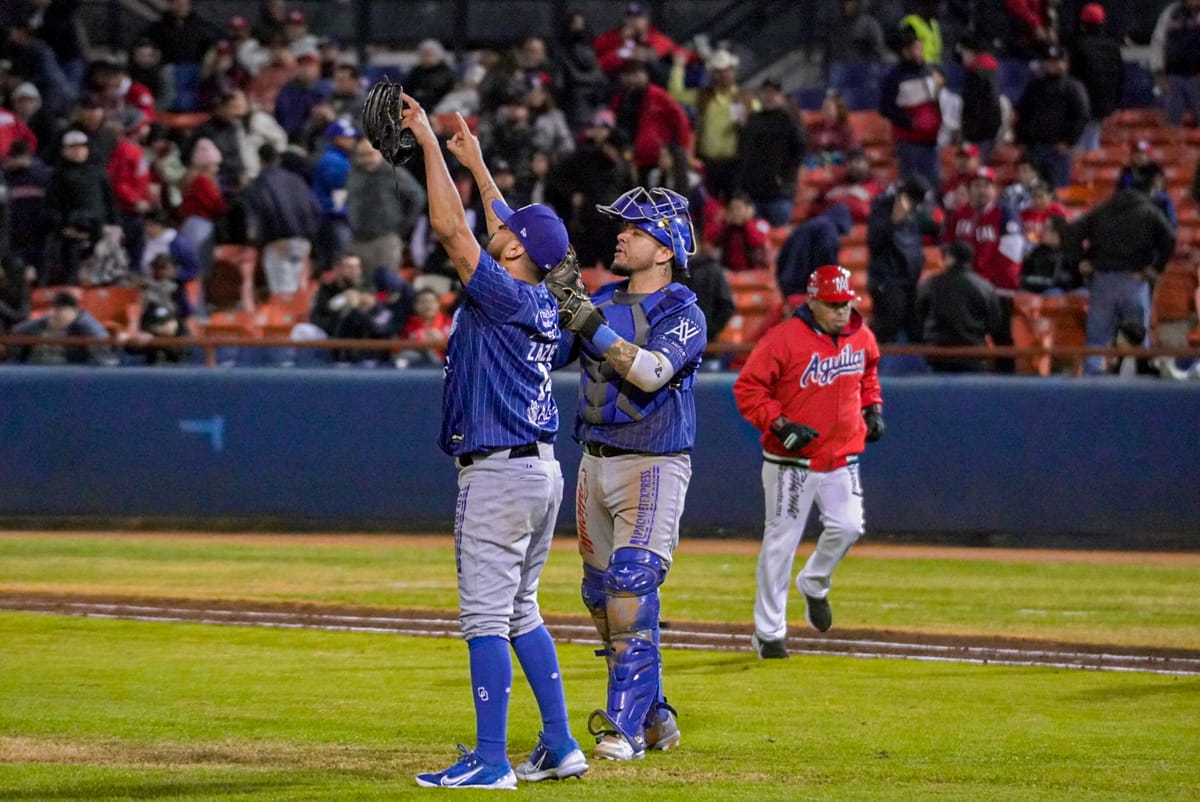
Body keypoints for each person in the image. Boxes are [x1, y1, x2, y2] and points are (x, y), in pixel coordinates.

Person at [396, 96, 586, 789]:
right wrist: (474, 163)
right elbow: (514, 228)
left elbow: (452, 231)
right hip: (538, 468)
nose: (499, 228)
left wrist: (428, 144)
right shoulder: (535, 293)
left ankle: (490, 760)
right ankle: (562, 742)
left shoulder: (506, 293)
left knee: (484, 616)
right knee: (520, 610)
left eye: (509, 232)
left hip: (501, 470)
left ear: (519, 251)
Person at [549, 185, 705, 761]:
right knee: (600, 594)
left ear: (665, 250)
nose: (622, 236)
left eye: (636, 231)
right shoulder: (603, 300)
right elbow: (550, 350)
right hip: (593, 461)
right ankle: (655, 715)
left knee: (633, 581)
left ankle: (623, 726)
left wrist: (586, 321)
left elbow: (650, 371)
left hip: (654, 462)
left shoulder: (684, 311)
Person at [732, 265, 883, 657]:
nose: (841, 312)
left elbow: (868, 375)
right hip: (791, 460)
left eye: (846, 303)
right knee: (781, 542)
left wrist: (873, 408)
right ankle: (768, 633)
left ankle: (814, 582)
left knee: (849, 526)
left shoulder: (861, 336)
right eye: (833, 305)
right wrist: (780, 424)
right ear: (812, 301)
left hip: (841, 453)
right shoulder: (782, 339)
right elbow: (748, 388)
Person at [1069, 164, 1176, 375]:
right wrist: (1155, 268)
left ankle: (1092, 384)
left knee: (1097, 338)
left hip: (1103, 279)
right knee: (1138, 338)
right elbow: (1170, 239)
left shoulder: (1105, 207)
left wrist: (1080, 261)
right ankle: (1139, 381)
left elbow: (1073, 231)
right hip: (1134, 280)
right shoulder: (1149, 210)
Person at [916, 240, 1006, 372]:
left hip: (939, 355)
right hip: (973, 354)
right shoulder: (985, 286)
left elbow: (919, 314)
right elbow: (994, 322)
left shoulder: (931, 284)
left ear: (951, 258)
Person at [1014, 45, 1090, 190]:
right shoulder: (1035, 85)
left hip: (1058, 150)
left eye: (1057, 61)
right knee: (1031, 190)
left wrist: (1069, 141)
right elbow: (1022, 113)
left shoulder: (1073, 87)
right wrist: (1022, 139)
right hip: (1035, 147)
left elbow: (1082, 115)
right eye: (1049, 61)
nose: (1053, 65)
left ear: (1065, 64)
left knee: (1058, 190)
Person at [866, 175, 929, 344]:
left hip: (910, 280)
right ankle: (859, 361)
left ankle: (921, 369)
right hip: (887, 279)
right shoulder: (882, 208)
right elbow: (875, 243)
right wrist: (894, 221)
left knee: (917, 326)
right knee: (888, 322)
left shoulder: (914, 216)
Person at [737, 78, 807, 227]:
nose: (769, 96)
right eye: (765, 92)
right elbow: (745, 152)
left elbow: (800, 150)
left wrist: (785, 177)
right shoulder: (753, 120)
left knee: (779, 238)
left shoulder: (789, 120)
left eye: (773, 93)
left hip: (779, 194)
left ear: (780, 96)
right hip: (754, 194)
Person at [879, 28, 942, 188]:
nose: (919, 53)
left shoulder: (929, 72)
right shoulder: (894, 76)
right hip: (909, 143)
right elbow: (885, 108)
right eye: (915, 49)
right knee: (911, 186)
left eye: (920, 49)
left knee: (933, 185)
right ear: (905, 51)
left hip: (931, 141)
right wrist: (909, 122)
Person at [1069, 3, 1125, 153]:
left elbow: (1073, 78)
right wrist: (1115, 104)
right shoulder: (1113, 45)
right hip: (1103, 104)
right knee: (1092, 142)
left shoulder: (1078, 45)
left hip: (1083, 103)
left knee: (1080, 144)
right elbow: (1121, 78)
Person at [10, 290, 110, 364]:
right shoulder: (43, 321)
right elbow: (17, 331)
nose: (58, 315)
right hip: (34, 369)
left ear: (75, 311)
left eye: (62, 311)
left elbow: (102, 341)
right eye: (56, 310)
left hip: (66, 372)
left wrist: (81, 319)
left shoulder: (84, 323)